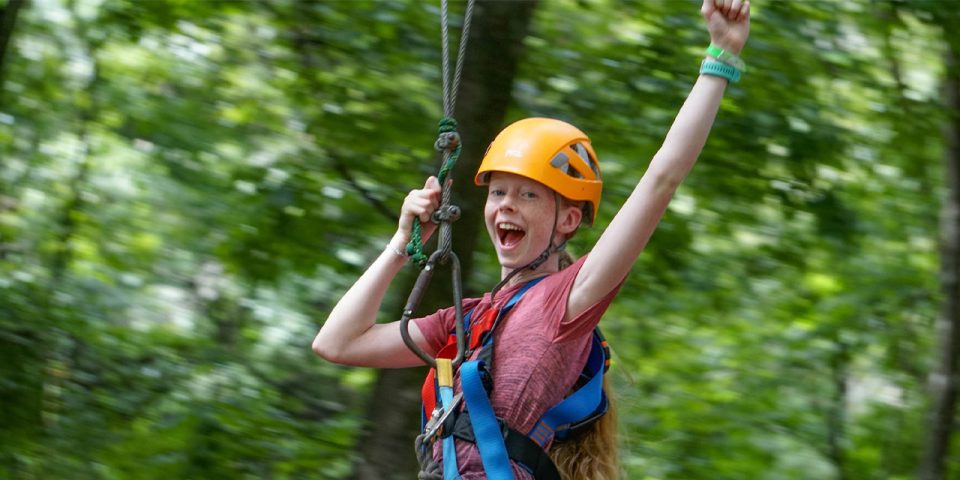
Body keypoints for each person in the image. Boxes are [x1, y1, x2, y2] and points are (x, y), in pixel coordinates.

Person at [313, 0, 751, 478]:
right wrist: (401, 245)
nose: (505, 205)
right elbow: (338, 343)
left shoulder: (567, 302)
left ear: (567, 221)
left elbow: (662, 178)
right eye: (498, 192)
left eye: (527, 195)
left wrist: (721, 57)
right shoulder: (465, 321)